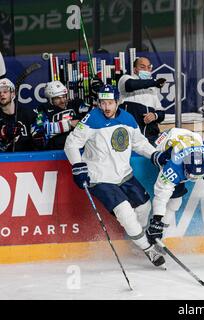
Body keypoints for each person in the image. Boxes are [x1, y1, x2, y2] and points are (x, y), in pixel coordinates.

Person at [64, 85, 171, 267]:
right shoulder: (91, 119)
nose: (106, 107)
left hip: (124, 176)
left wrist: (155, 154)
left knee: (144, 208)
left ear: (118, 102)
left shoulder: (128, 118)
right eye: (103, 103)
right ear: (98, 103)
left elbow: (139, 143)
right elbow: (71, 144)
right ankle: (148, 249)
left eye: (110, 103)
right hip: (100, 179)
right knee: (126, 213)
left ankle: (139, 239)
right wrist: (78, 166)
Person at [145, 127, 204, 246]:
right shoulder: (172, 167)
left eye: (199, 176)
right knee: (175, 202)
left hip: (190, 136)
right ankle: (160, 234)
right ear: (184, 168)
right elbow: (161, 196)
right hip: (165, 141)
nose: (194, 180)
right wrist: (157, 220)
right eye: (191, 176)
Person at [118, 57, 166, 144]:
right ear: (135, 69)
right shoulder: (125, 79)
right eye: (142, 67)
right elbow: (131, 85)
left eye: (148, 67)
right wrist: (154, 82)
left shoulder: (153, 89)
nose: (146, 70)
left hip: (150, 138)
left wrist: (154, 115)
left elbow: (161, 113)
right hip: (130, 138)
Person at [32, 81, 91, 150]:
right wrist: (68, 124)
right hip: (56, 152)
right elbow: (38, 132)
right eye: (57, 98)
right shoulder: (42, 110)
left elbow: (94, 113)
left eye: (64, 96)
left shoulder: (76, 104)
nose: (62, 101)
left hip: (81, 147)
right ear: (50, 99)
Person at [0, 78, 37, 152]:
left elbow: (40, 143)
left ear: (13, 94)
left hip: (29, 159)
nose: (1, 95)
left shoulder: (28, 114)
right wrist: (4, 136)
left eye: (5, 92)